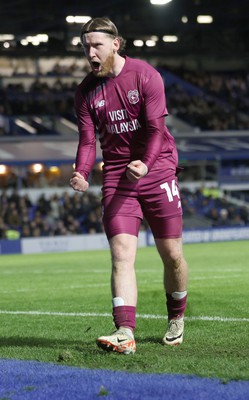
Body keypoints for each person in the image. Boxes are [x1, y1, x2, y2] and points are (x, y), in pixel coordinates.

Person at [70, 17, 188, 355]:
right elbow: (88, 141)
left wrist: (146, 165)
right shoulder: (85, 91)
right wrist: (82, 171)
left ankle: (176, 316)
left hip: (158, 168)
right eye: (85, 46)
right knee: (121, 254)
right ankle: (125, 331)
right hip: (118, 176)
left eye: (96, 45)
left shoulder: (145, 75)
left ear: (115, 44)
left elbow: (154, 129)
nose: (90, 52)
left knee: (172, 255)